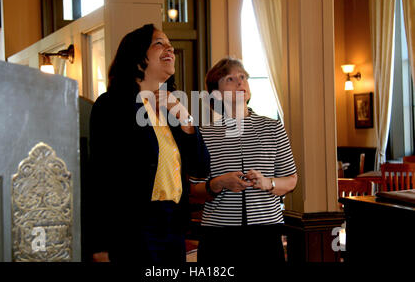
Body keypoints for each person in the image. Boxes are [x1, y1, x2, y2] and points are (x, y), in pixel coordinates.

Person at [88, 24, 209, 265]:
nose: (170, 48)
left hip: (173, 227)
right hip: (133, 230)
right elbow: (101, 177)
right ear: (136, 57)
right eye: (159, 43)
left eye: (170, 45)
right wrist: (100, 244)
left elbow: (201, 168)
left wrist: (185, 118)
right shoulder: (111, 105)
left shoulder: (171, 108)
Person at [190, 57, 298, 263]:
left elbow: (291, 180)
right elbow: (195, 190)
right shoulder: (204, 134)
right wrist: (219, 183)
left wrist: (269, 183)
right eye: (230, 79)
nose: (240, 82)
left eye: (243, 77)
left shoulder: (273, 128)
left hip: (266, 234)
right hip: (218, 236)